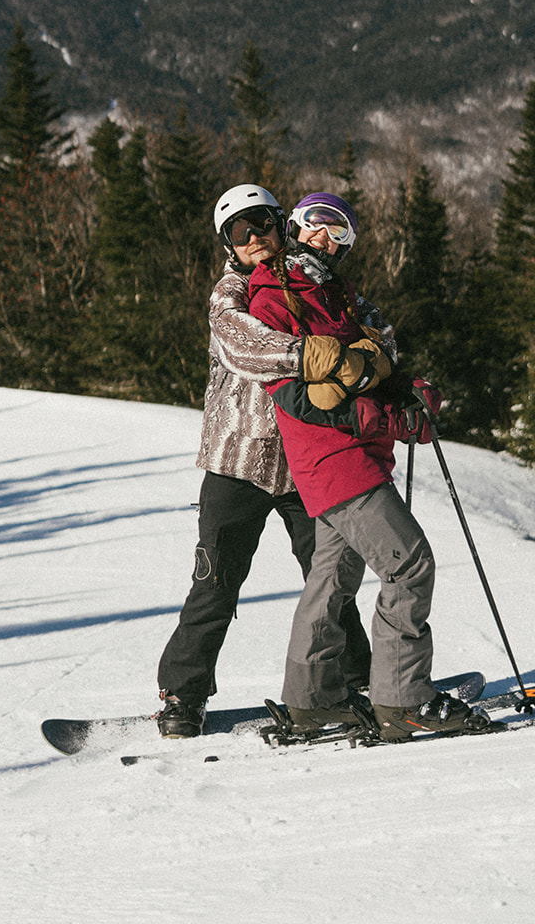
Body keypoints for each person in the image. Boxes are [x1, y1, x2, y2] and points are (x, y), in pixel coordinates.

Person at [247, 191, 485, 742]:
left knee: (333, 578)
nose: (326, 237)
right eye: (318, 223)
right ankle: (403, 699)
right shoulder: (273, 298)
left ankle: (311, 699)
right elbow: (296, 396)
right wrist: (388, 418)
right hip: (336, 461)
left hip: (346, 462)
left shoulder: (339, 296)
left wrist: (409, 391)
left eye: (341, 232)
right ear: (295, 225)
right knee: (410, 565)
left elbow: (372, 366)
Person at [155, 183, 372, 738]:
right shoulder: (231, 292)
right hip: (239, 461)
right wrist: (313, 356)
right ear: (227, 243)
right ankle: (183, 694)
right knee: (216, 581)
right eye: (239, 232)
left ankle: (359, 679)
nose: (254, 239)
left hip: (306, 460)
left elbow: (372, 330)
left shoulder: (316, 283)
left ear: (282, 224)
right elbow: (241, 344)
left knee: (329, 576)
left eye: (262, 225)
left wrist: (378, 363)